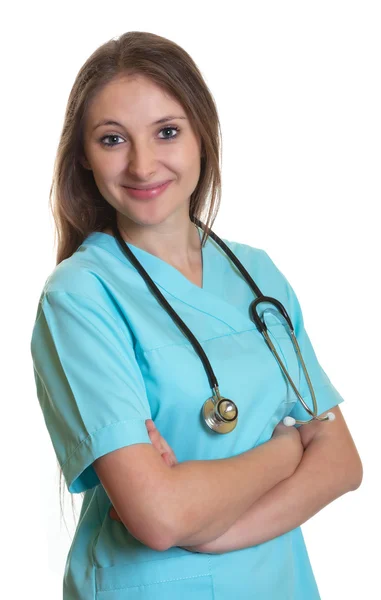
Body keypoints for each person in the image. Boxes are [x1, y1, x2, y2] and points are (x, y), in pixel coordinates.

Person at [30, 31, 362, 600]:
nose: (142, 163)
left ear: (202, 136)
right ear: (84, 156)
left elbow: (343, 462)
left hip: (281, 583)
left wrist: (216, 530)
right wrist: (288, 448)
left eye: (166, 131)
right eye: (112, 139)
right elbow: (158, 516)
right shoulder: (80, 296)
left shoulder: (256, 274)